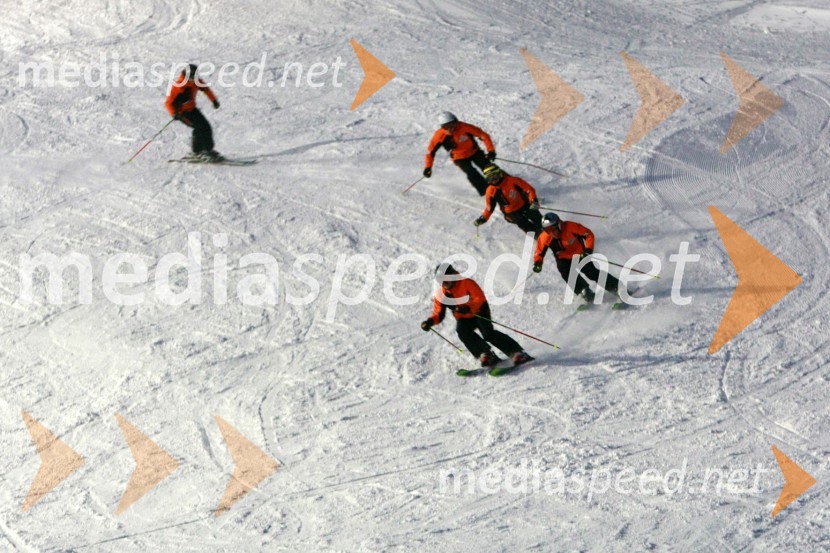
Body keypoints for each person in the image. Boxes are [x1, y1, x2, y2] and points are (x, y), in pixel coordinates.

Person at [421, 263, 531, 367]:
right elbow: (438, 313)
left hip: (479, 311)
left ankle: (516, 352)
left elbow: (479, 298)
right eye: (441, 281)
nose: (444, 283)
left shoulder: (466, 283)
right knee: (462, 331)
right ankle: (486, 354)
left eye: (446, 279)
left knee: (488, 334)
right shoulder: (441, 295)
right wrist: (430, 322)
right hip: (463, 317)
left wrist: (468, 307)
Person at [532, 212, 621, 303]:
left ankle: (616, 287)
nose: (552, 232)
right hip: (563, 257)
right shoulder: (544, 237)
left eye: (553, 228)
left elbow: (588, 234)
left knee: (591, 272)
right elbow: (539, 252)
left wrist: (588, 249)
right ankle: (583, 290)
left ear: (559, 224)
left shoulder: (571, 227)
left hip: (579, 254)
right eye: (548, 230)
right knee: (565, 271)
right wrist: (538, 262)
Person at [422, 112, 496, 195]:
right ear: (442, 127)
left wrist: (491, 151)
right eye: (446, 127)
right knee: (471, 172)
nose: (450, 129)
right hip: (459, 158)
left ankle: (504, 182)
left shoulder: (465, 127)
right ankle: (488, 193)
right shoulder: (439, 135)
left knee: (488, 167)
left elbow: (483, 135)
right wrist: (428, 167)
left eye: (451, 125)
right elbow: (430, 151)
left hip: (474, 152)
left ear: (456, 121)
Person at [165, 64, 222, 161]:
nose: (194, 79)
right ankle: (197, 152)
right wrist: (173, 113)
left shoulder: (196, 81)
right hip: (182, 113)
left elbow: (206, 89)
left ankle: (208, 150)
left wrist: (214, 100)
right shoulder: (179, 86)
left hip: (192, 109)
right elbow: (168, 102)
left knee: (206, 127)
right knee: (198, 128)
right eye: (192, 77)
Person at [474, 164, 542, 235]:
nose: (493, 180)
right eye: (489, 178)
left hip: (525, 205)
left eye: (495, 176)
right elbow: (489, 208)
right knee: (524, 224)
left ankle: (551, 234)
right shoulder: (490, 191)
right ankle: (540, 239)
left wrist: (533, 200)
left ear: (500, 174)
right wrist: (484, 218)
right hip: (511, 213)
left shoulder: (513, 181)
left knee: (539, 220)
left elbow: (529, 190)